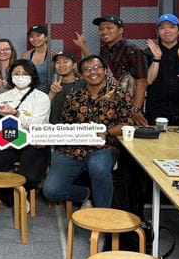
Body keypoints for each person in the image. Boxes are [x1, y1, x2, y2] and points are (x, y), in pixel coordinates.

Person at [43, 56, 133, 208]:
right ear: (82, 74)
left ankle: (101, 215)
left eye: (97, 68)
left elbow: (126, 124)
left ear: (105, 71)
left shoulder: (120, 95)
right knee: (51, 190)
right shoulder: (73, 97)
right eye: (87, 69)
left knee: (99, 169)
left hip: (103, 148)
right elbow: (65, 124)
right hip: (71, 149)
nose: (92, 72)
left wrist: (105, 133)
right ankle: (85, 194)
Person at [0, 59, 51, 208]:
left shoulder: (42, 98)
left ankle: (17, 196)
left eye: (25, 74)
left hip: (35, 143)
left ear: (33, 76)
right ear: (10, 76)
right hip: (10, 140)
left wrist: (16, 113)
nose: (20, 77)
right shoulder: (2, 97)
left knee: (30, 177)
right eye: (16, 73)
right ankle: (15, 199)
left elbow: (38, 125)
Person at [75, 14, 148, 126]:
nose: (104, 31)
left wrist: (136, 109)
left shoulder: (133, 50)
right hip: (108, 104)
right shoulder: (104, 50)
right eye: (101, 29)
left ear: (120, 30)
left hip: (127, 105)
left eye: (109, 28)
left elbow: (142, 81)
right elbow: (98, 68)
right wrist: (82, 47)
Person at [143, 14, 179, 126]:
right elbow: (148, 81)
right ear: (157, 32)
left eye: (171, 27)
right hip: (157, 110)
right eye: (162, 28)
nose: (167, 31)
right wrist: (156, 59)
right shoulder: (149, 52)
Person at [47, 51, 85, 124]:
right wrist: (52, 93)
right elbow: (43, 108)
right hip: (53, 128)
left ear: (74, 65)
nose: (61, 65)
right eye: (58, 62)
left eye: (65, 62)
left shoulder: (83, 84)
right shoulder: (52, 86)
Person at [21, 24, 55, 93]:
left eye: (38, 35)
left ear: (46, 37)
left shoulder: (53, 55)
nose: (35, 38)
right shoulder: (26, 55)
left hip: (47, 94)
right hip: (28, 93)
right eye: (31, 36)